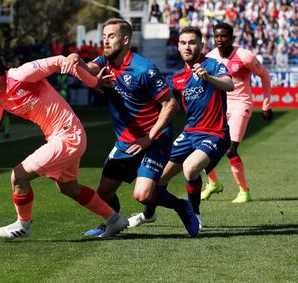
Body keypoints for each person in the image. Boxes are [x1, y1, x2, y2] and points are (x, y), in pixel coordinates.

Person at [0, 49, 129, 239]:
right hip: (62, 137)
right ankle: (114, 219)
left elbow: (59, 61)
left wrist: (94, 82)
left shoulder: (21, 74)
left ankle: (23, 225)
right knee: (69, 188)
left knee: (18, 176)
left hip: (67, 135)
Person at [61, 18, 200, 237]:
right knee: (103, 194)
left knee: (143, 195)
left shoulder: (143, 69)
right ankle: (112, 221)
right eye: (104, 37)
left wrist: (148, 138)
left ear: (126, 40)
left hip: (154, 138)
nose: (106, 41)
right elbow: (86, 70)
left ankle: (182, 206)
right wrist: (75, 58)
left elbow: (171, 105)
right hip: (126, 141)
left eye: (112, 36)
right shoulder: (104, 62)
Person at [129, 26, 234, 229]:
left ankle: (194, 214)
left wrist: (208, 78)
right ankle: (148, 215)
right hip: (188, 134)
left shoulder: (212, 65)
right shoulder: (177, 78)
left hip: (215, 133)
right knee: (154, 182)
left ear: (201, 45)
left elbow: (230, 85)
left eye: (193, 42)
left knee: (190, 167)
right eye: (184, 43)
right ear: (178, 47)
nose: (188, 47)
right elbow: (164, 105)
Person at [202, 22, 273, 203]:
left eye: (224, 36)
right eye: (216, 36)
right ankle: (213, 183)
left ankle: (244, 192)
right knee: (204, 146)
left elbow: (264, 75)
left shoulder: (244, 56)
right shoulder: (210, 57)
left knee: (230, 150)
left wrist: (266, 104)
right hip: (219, 107)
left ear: (232, 38)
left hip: (241, 104)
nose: (219, 39)